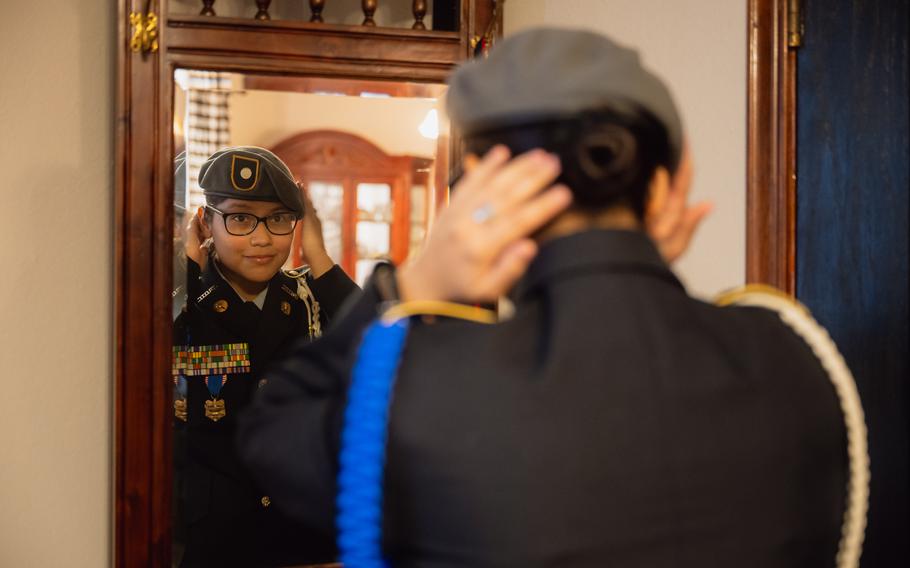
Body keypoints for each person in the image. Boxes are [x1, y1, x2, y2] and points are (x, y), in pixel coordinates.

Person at [238, 29, 851, 567]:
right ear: (665, 188)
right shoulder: (794, 356)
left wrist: (418, 282)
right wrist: (627, 259)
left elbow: (272, 434)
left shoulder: (419, 385)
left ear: (480, 191)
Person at [171, 146, 359, 566]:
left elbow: (383, 351)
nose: (262, 238)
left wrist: (320, 257)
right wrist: (183, 265)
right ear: (206, 223)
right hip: (209, 542)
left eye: (278, 219)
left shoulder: (311, 297)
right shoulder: (185, 301)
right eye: (239, 218)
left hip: (302, 538)